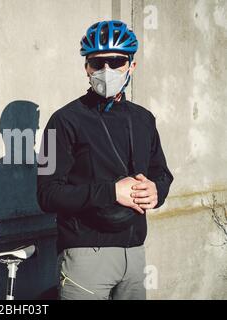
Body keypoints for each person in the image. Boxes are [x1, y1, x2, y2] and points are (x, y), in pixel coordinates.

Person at [36, 20, 174, 300]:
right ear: (86, 68)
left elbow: (162, 173)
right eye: (97, 63)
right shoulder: (63, 120)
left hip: (134, 253)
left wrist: (157, 191)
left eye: (116, 61)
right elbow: (47, 194)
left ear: (131, 65)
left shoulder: (144, 119)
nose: (106, 71)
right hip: (85, 255)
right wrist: (112, 192)